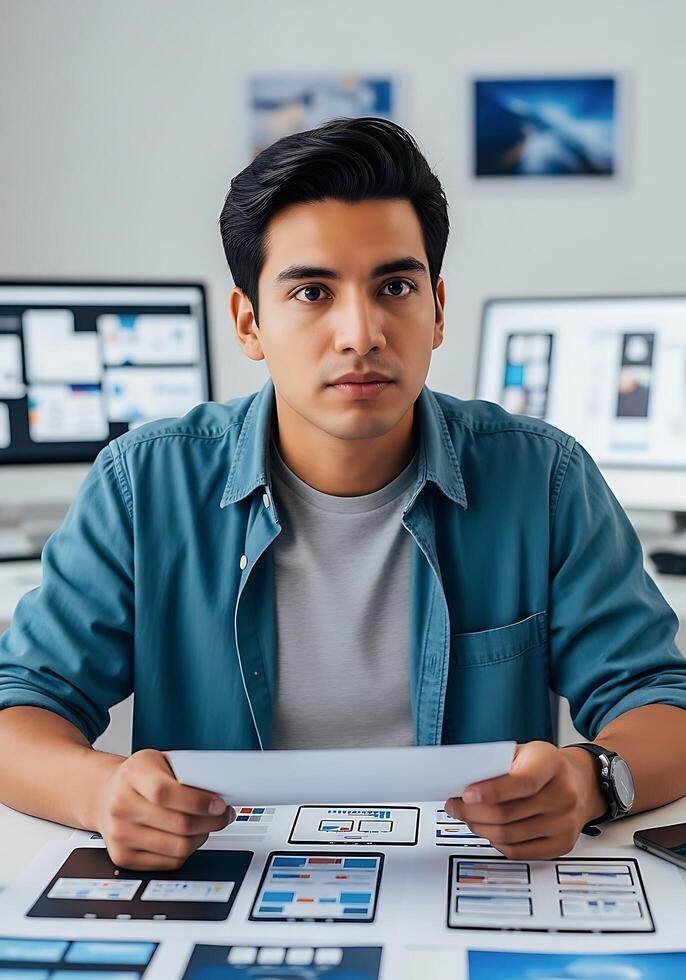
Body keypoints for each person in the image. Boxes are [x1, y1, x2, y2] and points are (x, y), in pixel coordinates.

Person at [1, 117, 686, 872]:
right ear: (249, 323)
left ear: (438, 308)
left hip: (470, 885)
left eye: (395, 286)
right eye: (312, 292)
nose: (360, 333)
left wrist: (592, 780)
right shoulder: (143, 483)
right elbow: (21, 709)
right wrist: (100, 792)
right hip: (224, 882)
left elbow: (659, 701)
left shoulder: (543, 478)